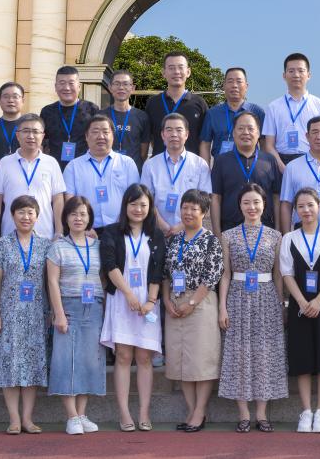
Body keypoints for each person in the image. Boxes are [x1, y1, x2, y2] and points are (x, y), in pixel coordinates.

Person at [218, 183, 287, 432]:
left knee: (265, 353)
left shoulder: (275, 236)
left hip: (267, 298)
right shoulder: (228, 235)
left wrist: (283, 304)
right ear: (239, 205)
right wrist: (222, 307)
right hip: (237, 298)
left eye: (256, 202)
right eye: (246, 202)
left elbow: (278, 274)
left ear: (264, 205)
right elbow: (225, 274)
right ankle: (244, 414)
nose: (252, 207)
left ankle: (262, 413)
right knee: (239, 353)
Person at [100, 184, 167, 430]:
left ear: (150, 208)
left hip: (148, 302)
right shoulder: (112, 232)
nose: (138, 209)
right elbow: (109, 265)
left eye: (143, 205)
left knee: (144, 357)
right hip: (121, 299)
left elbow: (158, 270)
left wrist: (151, 300)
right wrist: (128, 293)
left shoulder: (156, 235)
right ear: (125, 205)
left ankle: (144, 413)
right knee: (124, 356)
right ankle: (125, 413)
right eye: (133, 204)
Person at [281, 187, 320, 433]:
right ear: (295, 211)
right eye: (301, 206)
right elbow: (287, 273)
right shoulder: (289, 238)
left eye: (310, 205)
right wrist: (300, 301)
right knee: (303, 357)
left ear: (319, 206)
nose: (306, 210)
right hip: (300, 306)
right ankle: (306, 410)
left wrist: (318, 300)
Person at [162, 189, 225, 431]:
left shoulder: (211, 241)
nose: (188, 212)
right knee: (181, 361)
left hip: (201, 302)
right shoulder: (174, 239)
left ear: (204, 212)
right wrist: (167, 299)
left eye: (194, 208)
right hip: (175, 302)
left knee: (201, 360)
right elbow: (165, 273)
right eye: (185, 207)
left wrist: (191, 303)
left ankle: (200, 411)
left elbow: (211, 277)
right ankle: (191, 410)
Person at [0, 194, 52, 434]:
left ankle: (27, 419)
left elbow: (51, 282)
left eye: (30, 212)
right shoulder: (2, 244)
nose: (26, 217)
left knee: (33, 365)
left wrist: (53, 311)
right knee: (10, 364)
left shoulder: (46, 245)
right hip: (9, 313)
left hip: (36, 314)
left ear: (37, 216)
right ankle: (14, 418)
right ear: (12, 215)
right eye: (21, 212)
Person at [46, 196, 106, 435]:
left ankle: (82, 414)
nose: (78, 218)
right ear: (66, 218)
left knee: (89, 361)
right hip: (68, 306)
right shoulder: (58, 247)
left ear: (89, 218)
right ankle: (71, 416)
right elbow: (52, 282)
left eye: (82, 214)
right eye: (73, 214)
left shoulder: (98, 245)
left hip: (94, 306)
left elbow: (103, 277)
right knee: (66, 361)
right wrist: (59, 313)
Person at [0, 113, 65, 239]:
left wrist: (59, 231)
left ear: (42, 136)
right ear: (17, 135)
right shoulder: (4, 163)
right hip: (10, 235)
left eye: (35, 132)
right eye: (26, 131)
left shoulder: (51, 163)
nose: (31, 136)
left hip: (45, 235)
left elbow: (58, 199)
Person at [62, 114, 140, 229]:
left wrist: (123, 224)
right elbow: (69, 201)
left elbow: (135, 197)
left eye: (105, 132)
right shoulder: (73, 166)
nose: (101, 136)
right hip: (86, 231)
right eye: (95, 132)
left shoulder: (127, 163)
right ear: (86, 136)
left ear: (113, 136)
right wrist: (85, 228)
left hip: (121, 229)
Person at [211, 110, 282, 233]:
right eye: (241, 128)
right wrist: (217, 233)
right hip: (230, 230)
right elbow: (215, 198)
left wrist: (277, 230)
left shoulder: (269, 160)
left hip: (265, 231)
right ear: (233, 133)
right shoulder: (221, 161)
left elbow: (276, 197)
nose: (246, 132)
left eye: (250, 128)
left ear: (258, 133)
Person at [141, 113, 213, 234]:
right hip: (158, 231)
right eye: (169, 130)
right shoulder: (150, 165)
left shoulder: (200, 164)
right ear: (162, 135)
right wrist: (162, 225)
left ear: (187, 134)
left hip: (190, 232)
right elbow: (146, 199)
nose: (174, 134)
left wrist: (182, 226)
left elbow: (205, 200)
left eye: (179, 130)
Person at [262, 52, 320, 166]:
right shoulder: (273, 107)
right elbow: (269, 145)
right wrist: (282, 167)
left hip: (312, 161)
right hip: (280, 161)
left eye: (301, 70)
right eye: (291, 71)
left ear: (309, 75)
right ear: (284, 75)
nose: (296, 75)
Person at [144, 52, 207, 156]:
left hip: (191, 164)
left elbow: (204, 140)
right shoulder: (153, 103)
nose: (176, 72)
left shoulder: (199, 103)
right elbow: (150, 137)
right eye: (171, 68)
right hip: (160, 164)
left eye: (180, 67)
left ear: (188, 72)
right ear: (163, 72)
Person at [199, 66, 265, 164]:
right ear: (224, 86)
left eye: (239, 81)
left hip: (250, 167)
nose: (234, 85)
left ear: (246, 86)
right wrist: (206, 170)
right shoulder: (212, 113)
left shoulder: (257, 112)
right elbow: (205, 144)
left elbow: (264, 143)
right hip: (220, 168)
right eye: (230, 81)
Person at [41, 65, 101, 169]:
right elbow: (41, 142)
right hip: (55, 168)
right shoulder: (47, 111)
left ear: (79, 87)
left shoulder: (92, 109)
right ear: (55, 87)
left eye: (71, 83)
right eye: (62, 83)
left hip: (86, 167)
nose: (67, 88)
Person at [105, 69, 151, 172]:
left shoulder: (142, 117)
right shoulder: (101, 116)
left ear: (132, 88)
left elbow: (143, 153)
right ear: (110, 87)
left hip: (133, 172)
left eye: (125, 84)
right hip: (107, 171)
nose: (121, 87)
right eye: (117, 84)